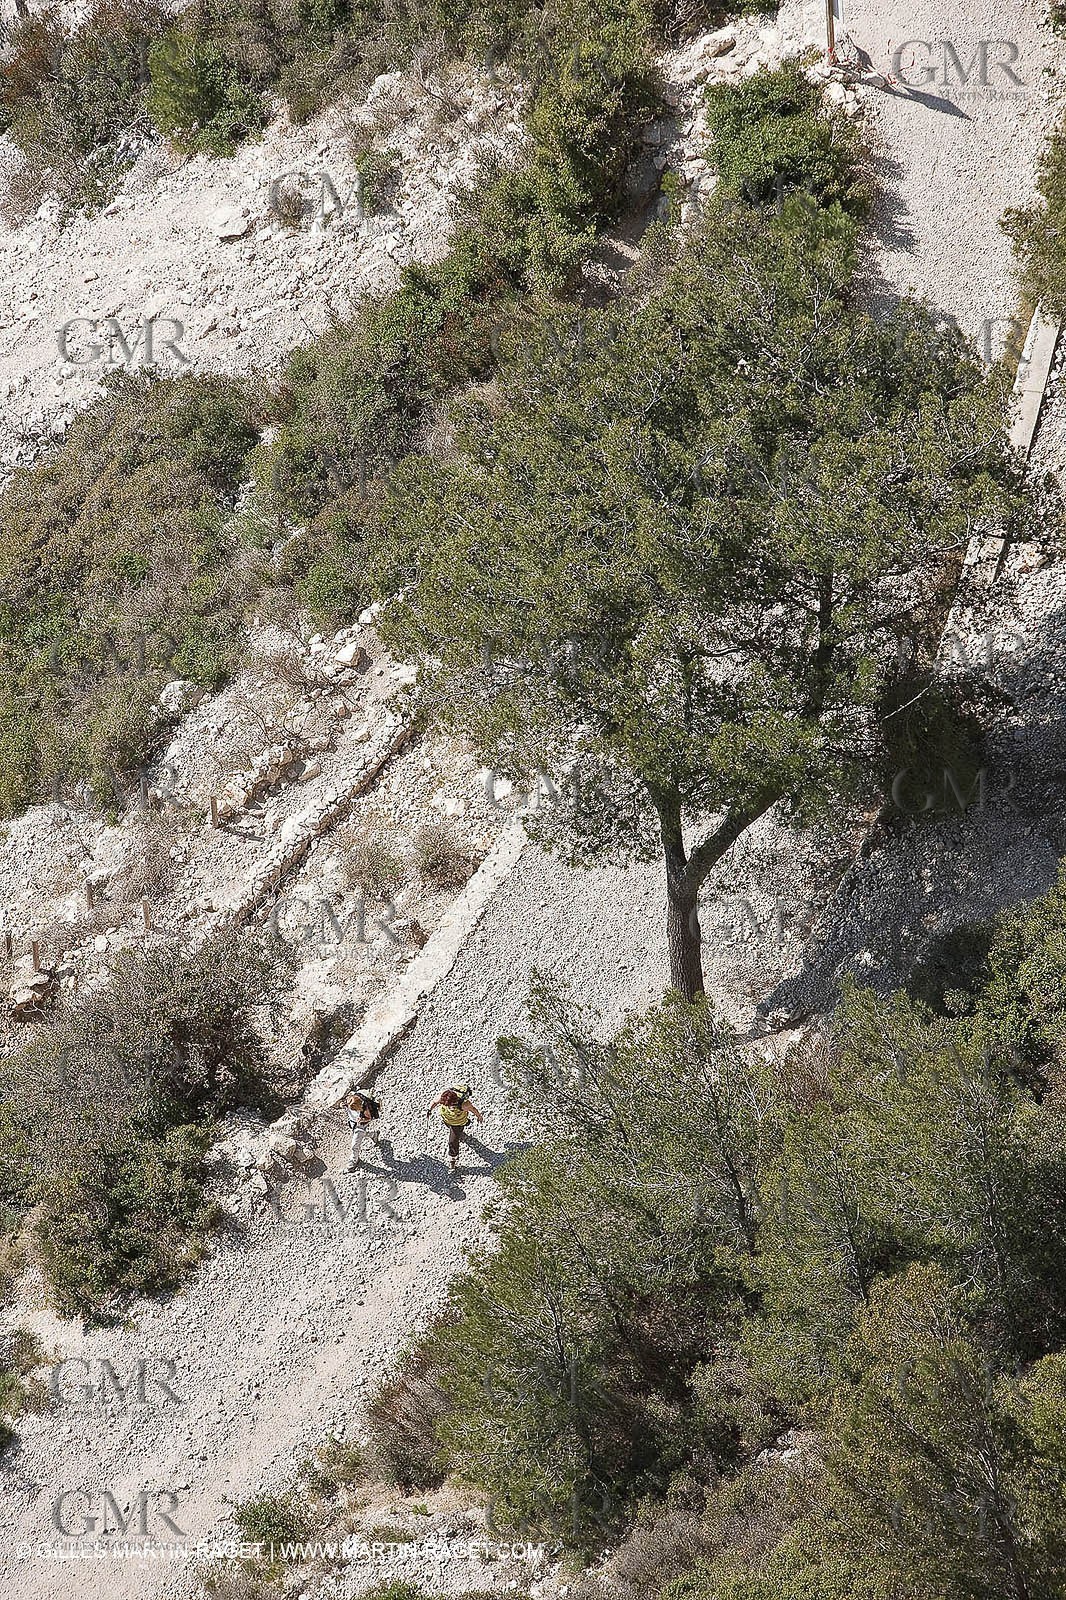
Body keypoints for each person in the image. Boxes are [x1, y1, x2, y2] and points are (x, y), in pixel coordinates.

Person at [426, 1082, 483, 1172]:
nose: (447, 1106)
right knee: (451, 1129)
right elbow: (434, 1102)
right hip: (446, 1119)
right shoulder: (443, 1097)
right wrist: (429, 1110)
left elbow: (473, 1109)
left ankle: (453, 1161)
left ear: (454, 1102)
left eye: (449, 1105)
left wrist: (479, 1116)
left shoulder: (464, 1104)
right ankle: (462, 1130)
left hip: (457, 1123)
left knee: (452, 1142)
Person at [344, 1090, 381, 1170]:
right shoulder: (349, 1101)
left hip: (360, 1125)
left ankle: (354, 1160)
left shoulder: (365, 1109)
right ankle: (373, 1135)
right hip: (353, 1124)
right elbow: (344, 1105)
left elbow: (369, 1118)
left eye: (354, 1109)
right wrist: (342, 1105)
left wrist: (361, 1120)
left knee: (355, 1144)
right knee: (360, 1135)